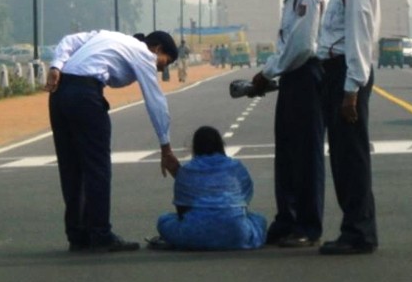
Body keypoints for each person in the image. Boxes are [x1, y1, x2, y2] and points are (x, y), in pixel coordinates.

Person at [45, 29, 180, 252]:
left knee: (71, 167)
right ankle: (100, 233)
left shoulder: (107, 35)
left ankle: (77, 235)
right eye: (165, 62)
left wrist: (55, 66)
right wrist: (165, 147)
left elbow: (68, 40)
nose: (161, 68)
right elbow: (155, 100)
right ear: (157, 49)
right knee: (97, 168)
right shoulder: (144, 53)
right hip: (85, 94)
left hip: (59, 93)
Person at [307, 0, 381, 255]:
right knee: (342, 156)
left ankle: (360, 232)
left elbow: (359, 40)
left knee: (351, 158)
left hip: (346, 78)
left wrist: (351, 91)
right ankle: (354, 228)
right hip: (336, 74)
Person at [250, 0, 327, 248]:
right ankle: (288, 218)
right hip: (294, 77)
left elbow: (303, 46)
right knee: (287, 152)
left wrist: (267, 72)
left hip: (307, 76)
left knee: (306, 154)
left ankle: (308, 225)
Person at [152, 126, 266, 250]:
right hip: (237, 234)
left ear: (195, 147)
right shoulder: (236, 167)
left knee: (164, 220)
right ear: (221, 145)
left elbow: (182, 211)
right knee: (259, 219)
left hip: (193, 236)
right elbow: (244, 202)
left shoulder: (186, 171)